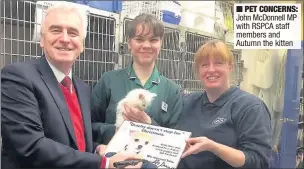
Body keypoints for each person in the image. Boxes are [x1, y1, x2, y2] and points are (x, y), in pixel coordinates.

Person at [1, 4, 142, 169]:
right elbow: (31, 145)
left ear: (81, 45)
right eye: (56, 30)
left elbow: (76, 141)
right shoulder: (18, 77)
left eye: (73, 33)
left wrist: (97, 148)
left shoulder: (82, 88)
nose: (65, 39)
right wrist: (104, 163)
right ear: (41, 40)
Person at [176, 40, 272, 169]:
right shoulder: (187, 102)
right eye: (204, 65)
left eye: (218, 63)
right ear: (198, 70)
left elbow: (258, 161)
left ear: (230, 67)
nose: (211, 70)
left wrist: (214, 147)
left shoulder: (250, 107)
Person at [91, 13, 183, 146]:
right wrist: (115, 130)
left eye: (153, 40)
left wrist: (149, 125)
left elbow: (176, 140)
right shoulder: (109, 80)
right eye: (139, 39)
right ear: (129, 43)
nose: (146, 45)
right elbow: (88, 127)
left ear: (161, 43)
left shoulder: (172, 90)